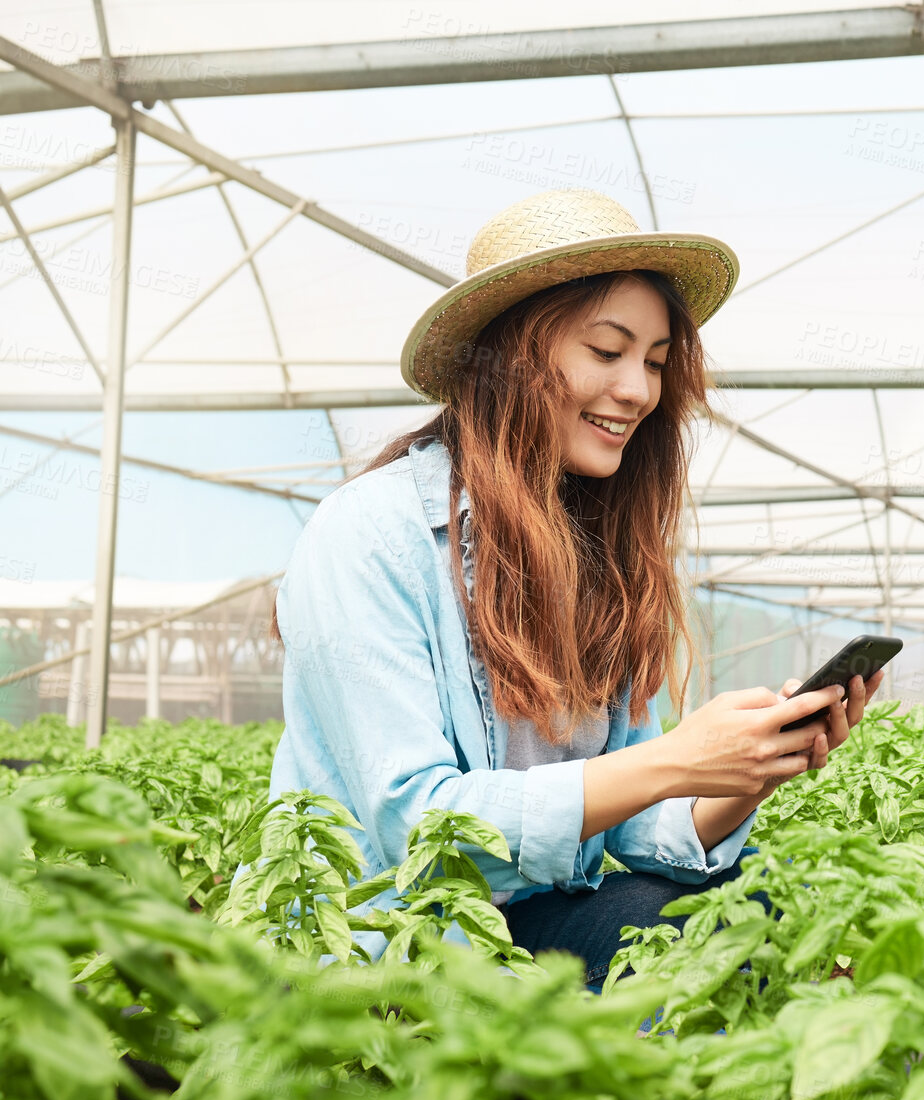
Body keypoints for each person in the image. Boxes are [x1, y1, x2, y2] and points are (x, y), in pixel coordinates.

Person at [267, 189, 881, 981]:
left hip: (524, 922)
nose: (639, 390)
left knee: (751, 903)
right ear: (510, 356)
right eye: (607, 350)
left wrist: (744, 773)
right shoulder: (367, 537)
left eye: (656, 362)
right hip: (393, 945)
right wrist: (677, 757)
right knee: (680, 939)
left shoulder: (594, 555)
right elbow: (421, 837)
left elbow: (636, 821)